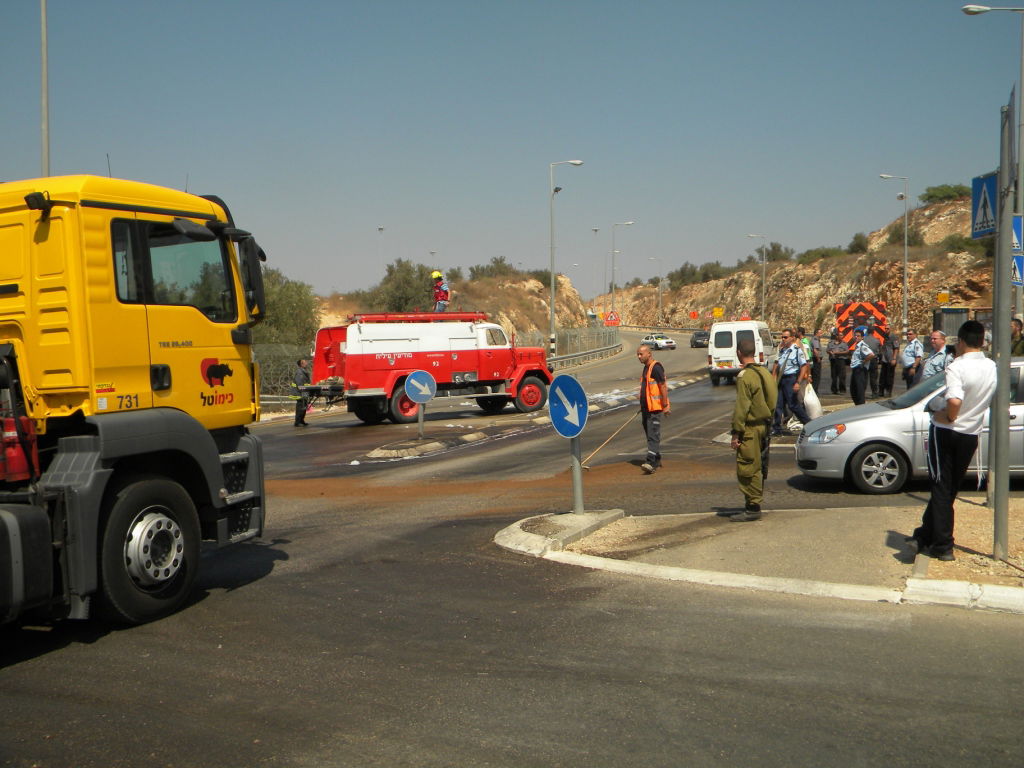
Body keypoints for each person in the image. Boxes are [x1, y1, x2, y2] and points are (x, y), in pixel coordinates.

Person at [908, 321, 996, 561]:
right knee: (948, 488)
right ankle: (924, 534)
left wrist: (945, 415)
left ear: (961, 341)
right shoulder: (990, 366)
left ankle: (943, 545)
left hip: (947, 431)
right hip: (971, 434)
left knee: (940, 487)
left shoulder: (957, 367)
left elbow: (954, 401)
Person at [729, 337, 778, 522]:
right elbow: (773, 399)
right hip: (764, 425)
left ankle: (752, 506)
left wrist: (736, 432)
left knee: (748, 466)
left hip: (750, 428)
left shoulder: (745, 377)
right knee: (759, 464)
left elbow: (742, 407)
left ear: (739, 353)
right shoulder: (764, 372)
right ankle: (753, 503)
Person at [770, 328, 811, 436]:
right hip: (781, 379)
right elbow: (777, 363)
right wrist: (773, 376)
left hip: (791, 378)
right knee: (778, 404)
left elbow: (803, 366)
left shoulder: (797, 350)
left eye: (785, 337)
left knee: (793, 405)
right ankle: (777, 428)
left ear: (792, 338)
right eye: (782, 337)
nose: (783, 339)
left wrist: (798, 382)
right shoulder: (782, 350)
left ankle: (809, 424)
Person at [637, 343, 670, 474]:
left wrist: (665, 405)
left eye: (641, 354)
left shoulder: (656, 368)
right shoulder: (646, 368)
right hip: (646, 409)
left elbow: (662, 386)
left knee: (653, 435)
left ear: (649, 354)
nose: (639, 356)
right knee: (649, 434)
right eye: (638, 354)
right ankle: (656, 458)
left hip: (655, 409)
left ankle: (650, 462)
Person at [848, 327, 874, 406]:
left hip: (860, 371)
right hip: (855, 370)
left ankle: (861, 406)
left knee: (860, 391)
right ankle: (857, 405)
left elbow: (871, 354)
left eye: (858, 336)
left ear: (862, 337)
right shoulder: (857, 346)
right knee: (853, 390)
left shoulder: (862, 346)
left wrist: (864, 361)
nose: (856, 337)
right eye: (855, 336)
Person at [877, 329, 899, 398]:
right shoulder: (885, 337)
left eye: (887, 328)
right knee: (882, 376)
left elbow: (896, 348)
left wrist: (894, 358)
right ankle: (881, 391)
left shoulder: (893, 337)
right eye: (885, 328)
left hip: (891, 359)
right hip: (884, 360)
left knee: (889, 377)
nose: (886, 330)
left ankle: (888, 392)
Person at [863, 327, 881, 398]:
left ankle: (862, 392)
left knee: (864, 377)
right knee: (873, 377)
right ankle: (874, 393)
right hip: (873, 360)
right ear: (873, 332)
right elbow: (879, 351)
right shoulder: (877, 341)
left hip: (865, 360)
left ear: (867, 332)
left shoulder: (863, 340)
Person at [292, 358, 311, 427]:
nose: (306, 363)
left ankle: (302, 420)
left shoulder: (304, 371)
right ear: (301, 364)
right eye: (305, 362)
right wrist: (303, 392)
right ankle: (297, 422)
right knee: (300, 407)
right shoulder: (300, 372)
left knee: (304, 406)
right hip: (300, 392)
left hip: (304, 392)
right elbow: (299, 384)